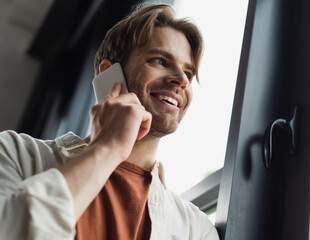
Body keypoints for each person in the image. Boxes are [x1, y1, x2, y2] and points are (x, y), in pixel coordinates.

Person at [0, 3, 219, 240]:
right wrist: (107, 148)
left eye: (188, 73)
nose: (181, 80)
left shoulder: (196, 229)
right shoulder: (14, 153)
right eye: (160, 61)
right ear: (109, 74)